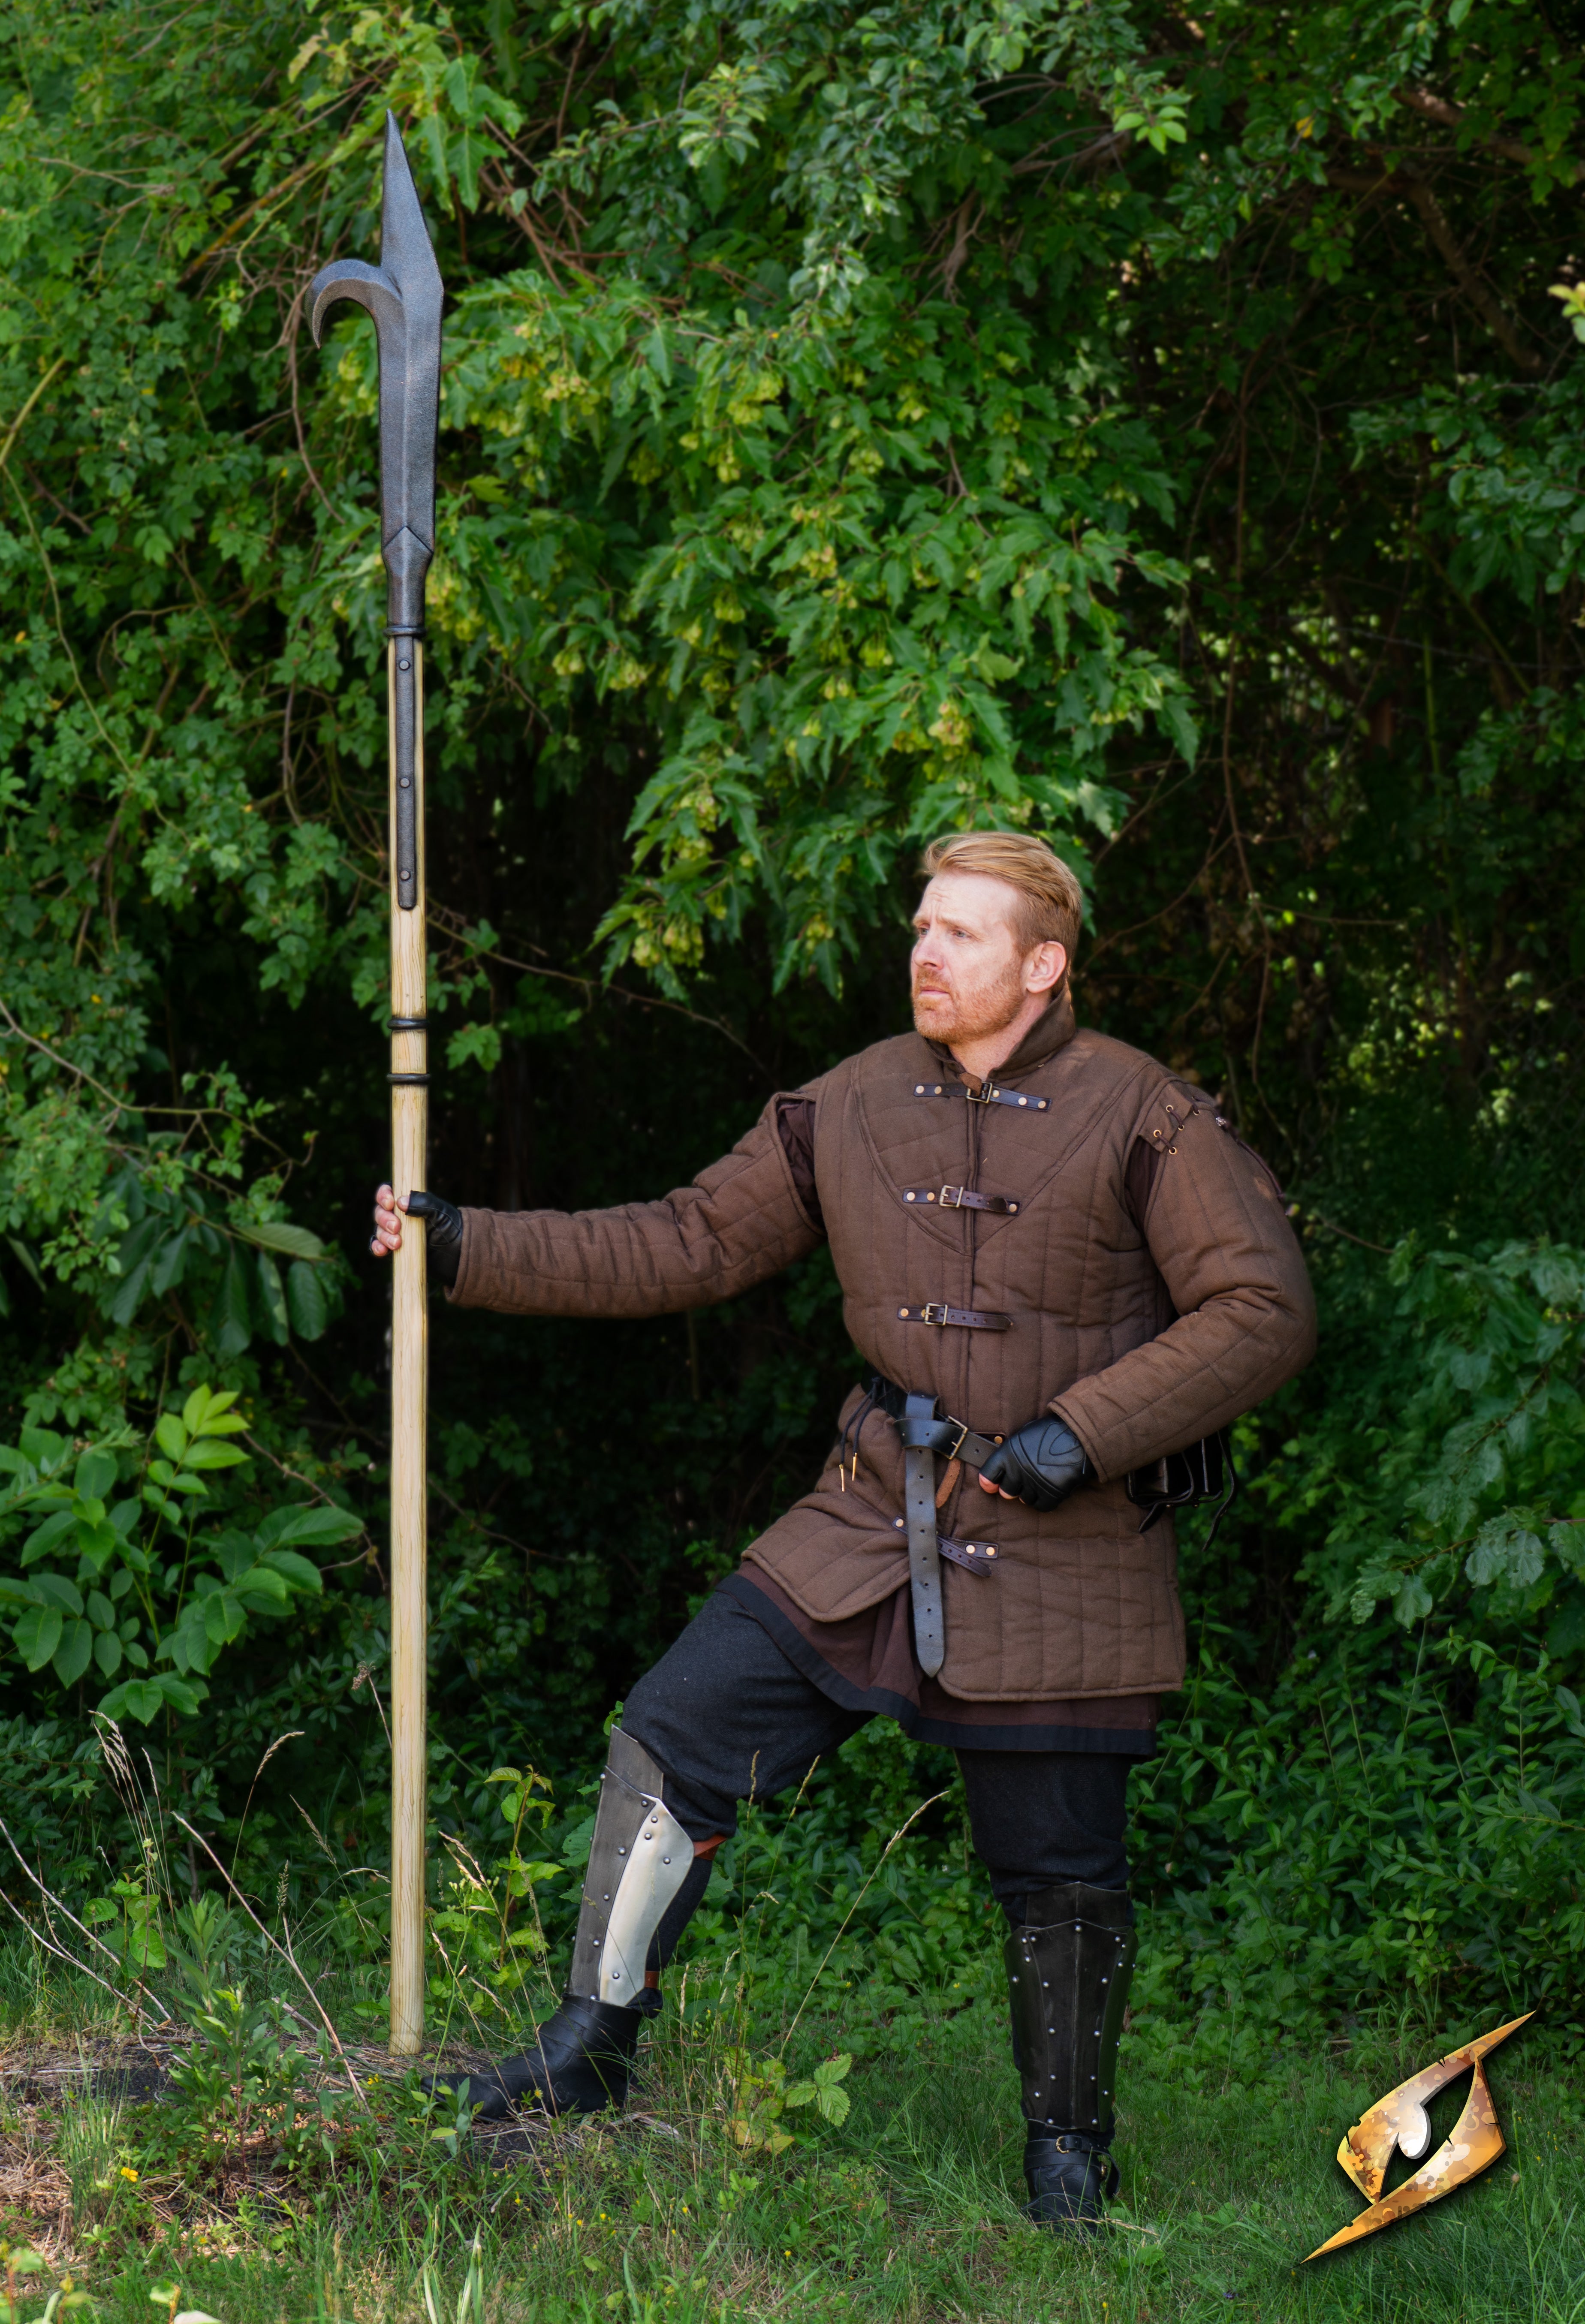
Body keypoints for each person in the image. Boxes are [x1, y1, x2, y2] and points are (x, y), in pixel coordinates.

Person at [371, 830, 1315, 2230]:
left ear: (1044, 966)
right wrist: (469, 1246)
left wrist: (1082, 1434)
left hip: (1064, 1537)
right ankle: (590, 2052)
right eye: (922, 927)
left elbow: (1263, 1309)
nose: (926, 952)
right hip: (875, 1510)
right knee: (676, 1734)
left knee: (1059, 1868)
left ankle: (1069, 2158)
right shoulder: (853, 1103)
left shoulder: (1145, 1113)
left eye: (963, 935)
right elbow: (689, 1239)